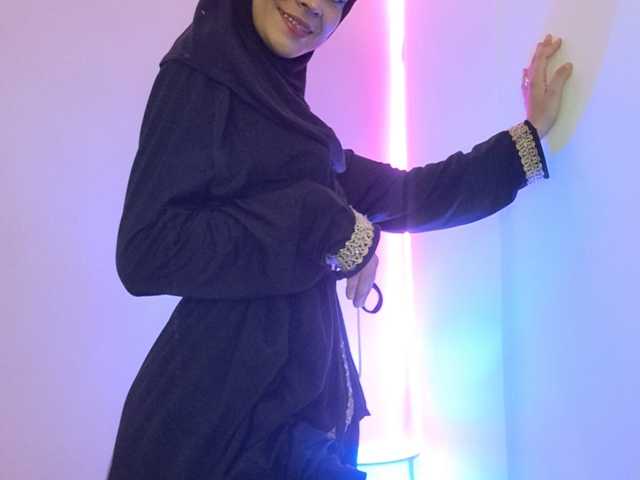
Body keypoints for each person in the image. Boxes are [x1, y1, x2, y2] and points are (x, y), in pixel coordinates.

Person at [106, 0, 573, 479]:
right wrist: (322, 221)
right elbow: (147, 250)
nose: (313, 4)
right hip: (222, 427)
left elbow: (406, 194)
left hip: (284, 420)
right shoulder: (198, 76)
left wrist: (528, 137)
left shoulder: (290, 127)